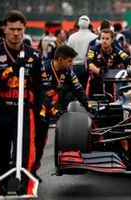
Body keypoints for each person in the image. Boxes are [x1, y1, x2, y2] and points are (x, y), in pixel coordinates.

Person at [0, 10, 43, 195]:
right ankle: (0, 187)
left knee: (27, 151)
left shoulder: (34, 55)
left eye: (19, 29)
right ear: (4, 29)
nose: (15, 33)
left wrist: (42, 111)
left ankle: (25, 188)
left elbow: (40, 88)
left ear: (24, 29)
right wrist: (11, 70)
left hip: (24, 110)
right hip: (0, 109)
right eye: (12, 29)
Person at [33, 45, 94, 182]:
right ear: (60, 59)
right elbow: (39, 95)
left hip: (48, 108)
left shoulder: (68, 72)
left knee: (41, 141)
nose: (71, 64)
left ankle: (33, 170)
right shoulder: (42, 69)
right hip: (33, 107)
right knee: (31, 139)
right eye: (69, 61)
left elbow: (79, 90)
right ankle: (25, 170)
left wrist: (90, 107)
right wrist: (52, 110)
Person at [86, 29, 131, 101]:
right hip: (95, 80)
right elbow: (90, 65)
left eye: (107, 39)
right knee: (91, 105)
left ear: (112, 40)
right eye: (102, 38)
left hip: (111, 82)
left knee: (111, 104)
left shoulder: (116, 50)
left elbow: (128, 59)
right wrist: (100, 71)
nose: (104, 41)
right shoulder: (93, 50)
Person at [67, 15, 98, 89]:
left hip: (75, 67)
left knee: (76, 90)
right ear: (89, 24)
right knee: (87, 90)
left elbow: (68, 53)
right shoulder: (94, 37)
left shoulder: (72, 37)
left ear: (78, 24)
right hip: (89, 68)